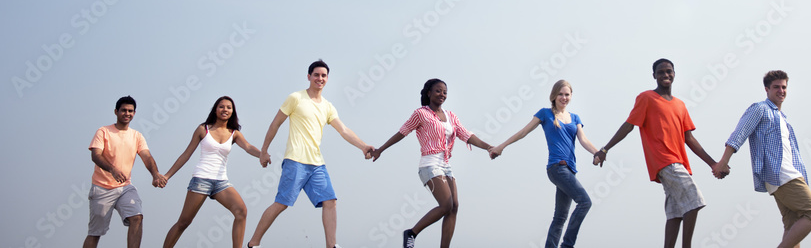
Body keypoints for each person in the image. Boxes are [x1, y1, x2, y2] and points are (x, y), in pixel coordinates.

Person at [593, 59, 721, 248]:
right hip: (664, 161)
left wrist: (713, 164)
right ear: (654, 76)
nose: (665, 75)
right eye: (660, 72)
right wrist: (605, 149)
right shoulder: (646, 98)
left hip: (679, 162)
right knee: (694, 199)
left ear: (674, 73)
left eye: (669, 71)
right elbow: (629, 125)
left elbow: (690, 139)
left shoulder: (680, 105)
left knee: (675, 211)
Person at [246, 60, 375, 248]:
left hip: (317, 164)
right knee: (281, 203)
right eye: (316, 75)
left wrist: (363, 146)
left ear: (327, 79)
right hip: (295, 161)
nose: (320, 78)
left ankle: (332, 246)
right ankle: (253, 243)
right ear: (309, 77)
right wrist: (264, 151)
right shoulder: (295, 98)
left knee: (330, 201)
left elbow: (344, 130)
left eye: (323, 76)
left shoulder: (328, 107)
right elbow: (275, 124)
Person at [370, 78, 494, 248]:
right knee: (446, 205)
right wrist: (380, 149)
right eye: (438, 91)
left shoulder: (451, 116)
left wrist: (488, 147)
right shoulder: (421, 113)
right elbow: (402, 132)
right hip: (429, 164)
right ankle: (411, 233)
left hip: (445, 165)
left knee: (454, 207)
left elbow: (466, 135)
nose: (442, 94)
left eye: (445, 92)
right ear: (428, 93)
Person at [713, 70, 811, 248]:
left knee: (793, 227)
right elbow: (739, 134)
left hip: (789, 174)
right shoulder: (760, 109)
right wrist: (723, 162)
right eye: (776, 87)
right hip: (782, 175)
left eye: (784, 87)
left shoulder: (782, 118)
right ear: (767, 89)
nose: (781, 91)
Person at [489, 79, 599, 248]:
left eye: (567, 94)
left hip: (570, 170)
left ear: (571, 96)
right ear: (554, 96)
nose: (564, 97)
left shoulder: (575, 117)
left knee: (560, 217)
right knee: (585, 202)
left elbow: (583, 140)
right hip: (557, 168)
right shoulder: (545, 113)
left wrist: (597, 153)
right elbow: (523, 131)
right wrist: (501, 146)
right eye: (560, 94)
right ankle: (567, 245)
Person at [162, 96, 262, 248]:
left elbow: (248, 147)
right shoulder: (203, 129)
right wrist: (167, 176)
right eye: (221, 106)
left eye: (229, 107)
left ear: (232, 111)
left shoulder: (234, 133)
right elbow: (186, 154)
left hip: (221, 182)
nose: (225, 110)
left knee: (241, 211)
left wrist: (262, 154)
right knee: (184, 222)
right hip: (201, 179)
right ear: (215, 109)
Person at [84, 96, 167, 248]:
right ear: (116, 112)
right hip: (102, 187)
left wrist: (155, 174)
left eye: (130, 111)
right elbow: (95, 155)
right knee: (95, 233)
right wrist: (112, 169)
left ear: (134, 113)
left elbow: (147, 156)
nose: (127, 113)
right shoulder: (103, 132)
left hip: (124, 187)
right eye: (123, 110)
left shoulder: (137, 136)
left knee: (137, 217)